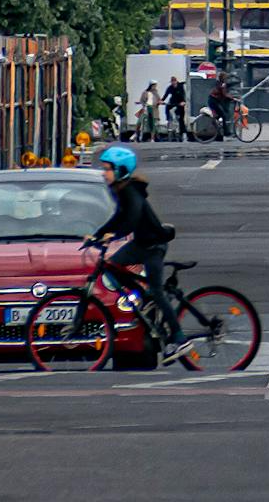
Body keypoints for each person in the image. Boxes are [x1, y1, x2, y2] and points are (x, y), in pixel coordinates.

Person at [85, 144, 182, 351]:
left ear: (120, 170)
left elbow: (132, 218)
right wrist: (98, 234)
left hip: (153, 246)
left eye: (107, 169)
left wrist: (114, 236)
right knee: (112, 267)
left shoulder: (131, 190)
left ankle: (179, 336)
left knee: (157, 290)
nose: (104, 174)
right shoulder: (121, 190)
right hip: (140, 243)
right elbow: (118, 217)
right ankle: (144, 297)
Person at [161, 73, 187, 142]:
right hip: (173, 102)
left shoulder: (180, 86)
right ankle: (169, 123)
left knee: (181, 119)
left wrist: (183, 102)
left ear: (176, 81)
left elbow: (183, 95)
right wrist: (161, 101)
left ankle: (183, 134)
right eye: (172, 82)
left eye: (174, 82)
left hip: (180, 103)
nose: (173, 84)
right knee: (168, 109)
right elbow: (166, 95)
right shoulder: (170, 87)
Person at [208, 74, 235, 138]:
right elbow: (224, 94)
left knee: (220, 115)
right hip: (214, 101)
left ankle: (216, 123)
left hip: (213, 100)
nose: (226, 79)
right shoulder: (222, 84)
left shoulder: (219, 83)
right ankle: (226, 132)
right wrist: (233, 98)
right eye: (226, 78)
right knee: (223, 116)